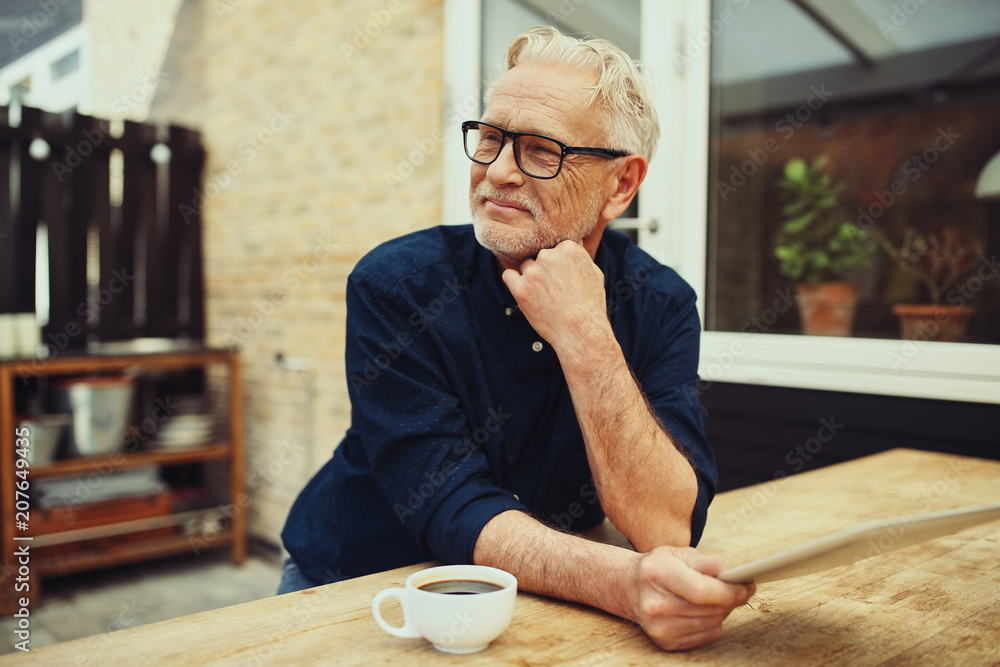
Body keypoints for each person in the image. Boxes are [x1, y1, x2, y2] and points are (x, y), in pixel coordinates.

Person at [279, 25, 753, 651]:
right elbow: (450, 503)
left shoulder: (660, 304)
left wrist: (586, 335)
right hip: (364, 590)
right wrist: (623, 583)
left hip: (544, 601)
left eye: (539, 150)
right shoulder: (398, 285)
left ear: (621, 184)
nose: (498, 172)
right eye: (492, 138)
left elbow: (667, 525)